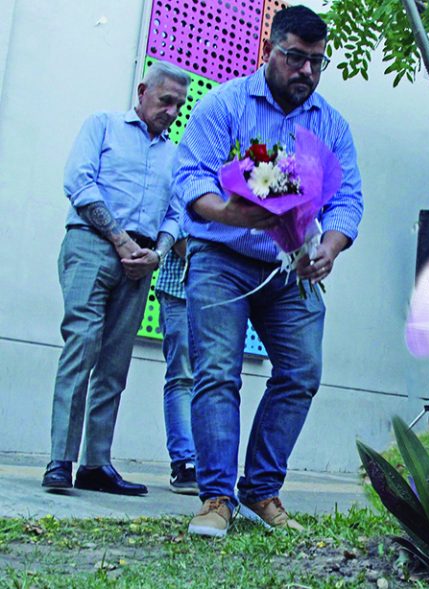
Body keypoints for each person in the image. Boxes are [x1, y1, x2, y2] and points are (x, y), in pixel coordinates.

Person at [172, 5, 363, 537]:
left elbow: (348, 198)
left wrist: (330, 245)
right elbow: (189, 178)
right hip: (220, 258)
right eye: (296, 58)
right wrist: (229, 211)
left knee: (302, 372)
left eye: (316, 62)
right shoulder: (224, 104)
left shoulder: (331, 124)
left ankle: (260, 488)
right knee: (216, 372)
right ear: (269, 50)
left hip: (291, 266)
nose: (306, 71)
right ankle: (215, 498)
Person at [42, 62, 190, 496]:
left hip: (142, 261)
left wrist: (157, 253)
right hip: (92, 245)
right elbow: (79, 182)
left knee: (114, 365)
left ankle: (95, 463)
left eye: (178, 106)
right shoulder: (103, 126)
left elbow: (177, 212)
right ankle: (60, 460)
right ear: (142, 91)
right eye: (165, 100)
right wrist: (121, 240)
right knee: (82, 347)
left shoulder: (175, 154)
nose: (171, 111)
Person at [154, 236, 198, 494]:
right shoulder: (184, 192)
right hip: (179, 289)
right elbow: (180, 237)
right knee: (182, 377)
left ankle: (204, 462)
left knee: (213, 380)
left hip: (218, 295)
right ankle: (184, 462)